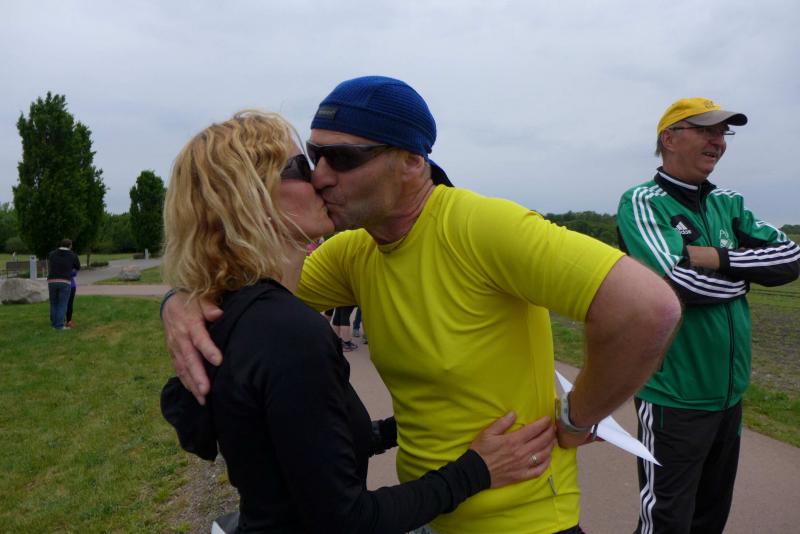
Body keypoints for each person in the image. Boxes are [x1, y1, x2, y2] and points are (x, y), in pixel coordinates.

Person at [163, 77, 682, 534]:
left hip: (521, 517)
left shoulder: (484, 228)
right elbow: (248, 294)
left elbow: (647, 309)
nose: (321, 175)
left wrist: (577, 418)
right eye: (313, 156)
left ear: (413, 162)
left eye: (342, 159)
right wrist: (182, 301)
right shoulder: (354, 252)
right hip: (430, 512)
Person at [159, 110, 556, 533]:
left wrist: (419, 424)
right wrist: (478, 469)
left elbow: (306, 446)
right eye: (302, 166)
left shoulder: (237, 314)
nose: (320, 178)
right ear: (251, 199)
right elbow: (348, 519)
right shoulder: (289, 332)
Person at [616, 97, 800, 534]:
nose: (718, 141)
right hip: (673, 396)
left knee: (710, 517)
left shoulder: (729, 203)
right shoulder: (643, 201)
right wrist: (745, 276)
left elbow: (791, 258)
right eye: (706, 130)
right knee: (666, 519)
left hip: (728, 396)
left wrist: (717, 257)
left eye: (722, 133)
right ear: (669, 138)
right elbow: (677, 282)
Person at [47, 239, 80, 330]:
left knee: (54, 303)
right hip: (64, 281)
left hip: (52, 280)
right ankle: (59, 325)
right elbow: (77, 267)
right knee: (63, 303)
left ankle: (54, 323)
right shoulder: (72, 255)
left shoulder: (52, 254)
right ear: (70, 245)